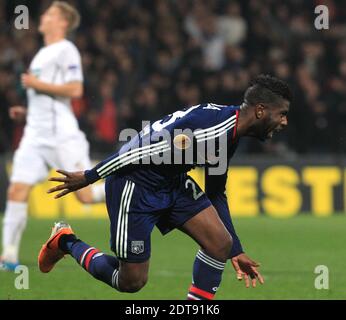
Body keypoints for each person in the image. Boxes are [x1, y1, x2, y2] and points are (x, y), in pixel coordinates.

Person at [39, 75, 291, 300]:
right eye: (281, 114)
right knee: (132, 281)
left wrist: (236, 250)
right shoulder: (212, 130)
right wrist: (90, 176)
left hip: (172, 181)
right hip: (135, 184)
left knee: (220, 244)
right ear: (260, 111)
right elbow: (138, 150)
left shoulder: (230, 132)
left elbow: (215, 192)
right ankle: (66, 242)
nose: (284, 121)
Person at [0, 2, 104, 271]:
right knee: (17, 189)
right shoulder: (41, 55)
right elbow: (48, 99)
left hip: (62, 136)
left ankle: (132, 187)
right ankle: (8, 257)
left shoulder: (66, 50)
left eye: (50, 14)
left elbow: (75, 89)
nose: (43, 17)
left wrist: (36, 85)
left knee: (85, 196)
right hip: (35, 134)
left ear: (63, 23)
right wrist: (26, 111)